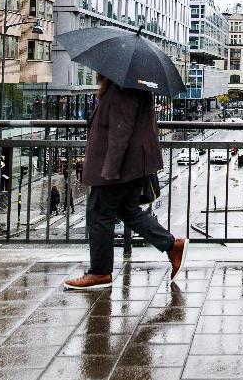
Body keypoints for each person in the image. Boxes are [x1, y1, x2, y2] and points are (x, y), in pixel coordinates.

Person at [65, 74, 188, 290]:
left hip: (121, 166)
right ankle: (172, 246)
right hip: (132, 165)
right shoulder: (132, 85)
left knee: (98, 213)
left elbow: (120, 131)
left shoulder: (122, 88)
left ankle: (100, 272)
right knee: (128, 210)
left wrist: (110, 169)